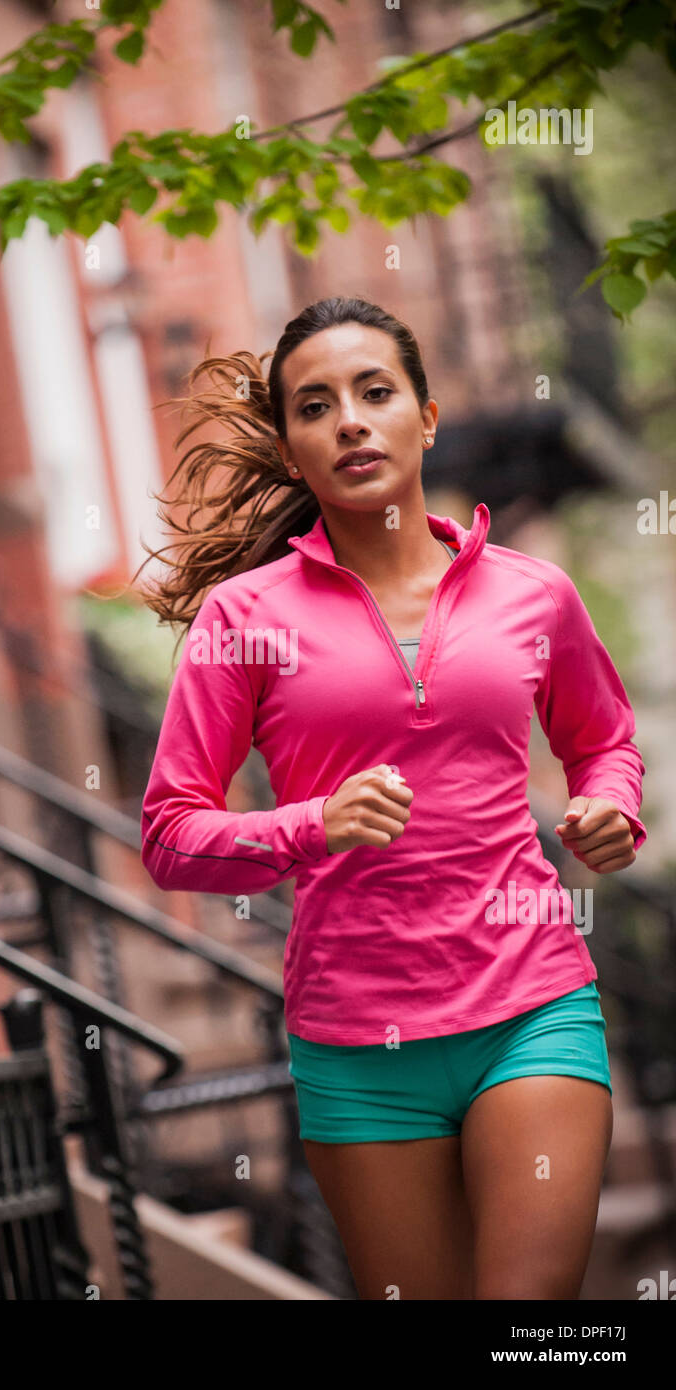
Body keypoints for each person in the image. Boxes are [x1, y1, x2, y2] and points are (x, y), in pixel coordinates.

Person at [136, 296, 646, 1300]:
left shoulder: (532, 594)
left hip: (530, 1001)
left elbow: (604, 742)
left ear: (428, 416)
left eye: (376, 392)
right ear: (291, 449)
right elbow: (169, 832)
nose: (351, 421)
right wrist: (309, 823)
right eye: (315, 405)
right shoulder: (246, 616)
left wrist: (610, 807)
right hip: (358, 1041)